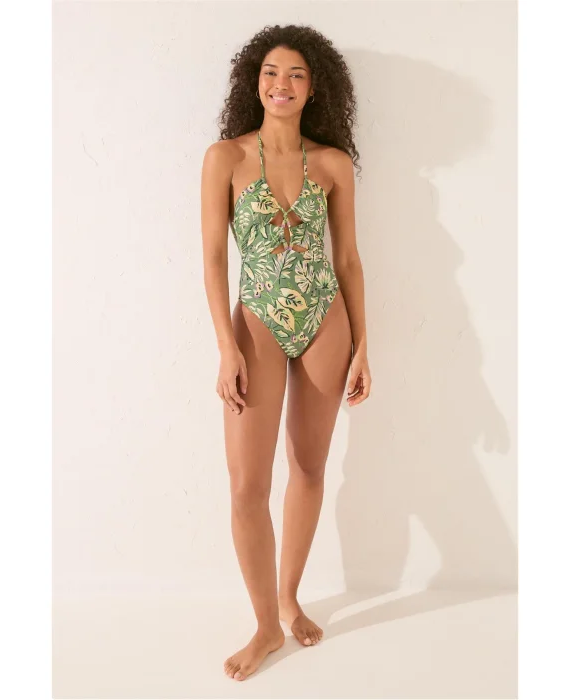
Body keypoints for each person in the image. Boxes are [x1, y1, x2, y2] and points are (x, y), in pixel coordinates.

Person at [200, 24, 372, 682]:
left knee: (308, 467)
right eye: (272, 72)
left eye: (297, 74)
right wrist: (226, 347)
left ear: (314, 87)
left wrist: (364, 344)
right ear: (255, 81)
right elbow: (213, 259)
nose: (282, 84)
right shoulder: (226, 158)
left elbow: (348, 260)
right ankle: (265, 625)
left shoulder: (332, 164)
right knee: (247, 486)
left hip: (326, 320)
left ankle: (290, 598)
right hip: (257, 324)